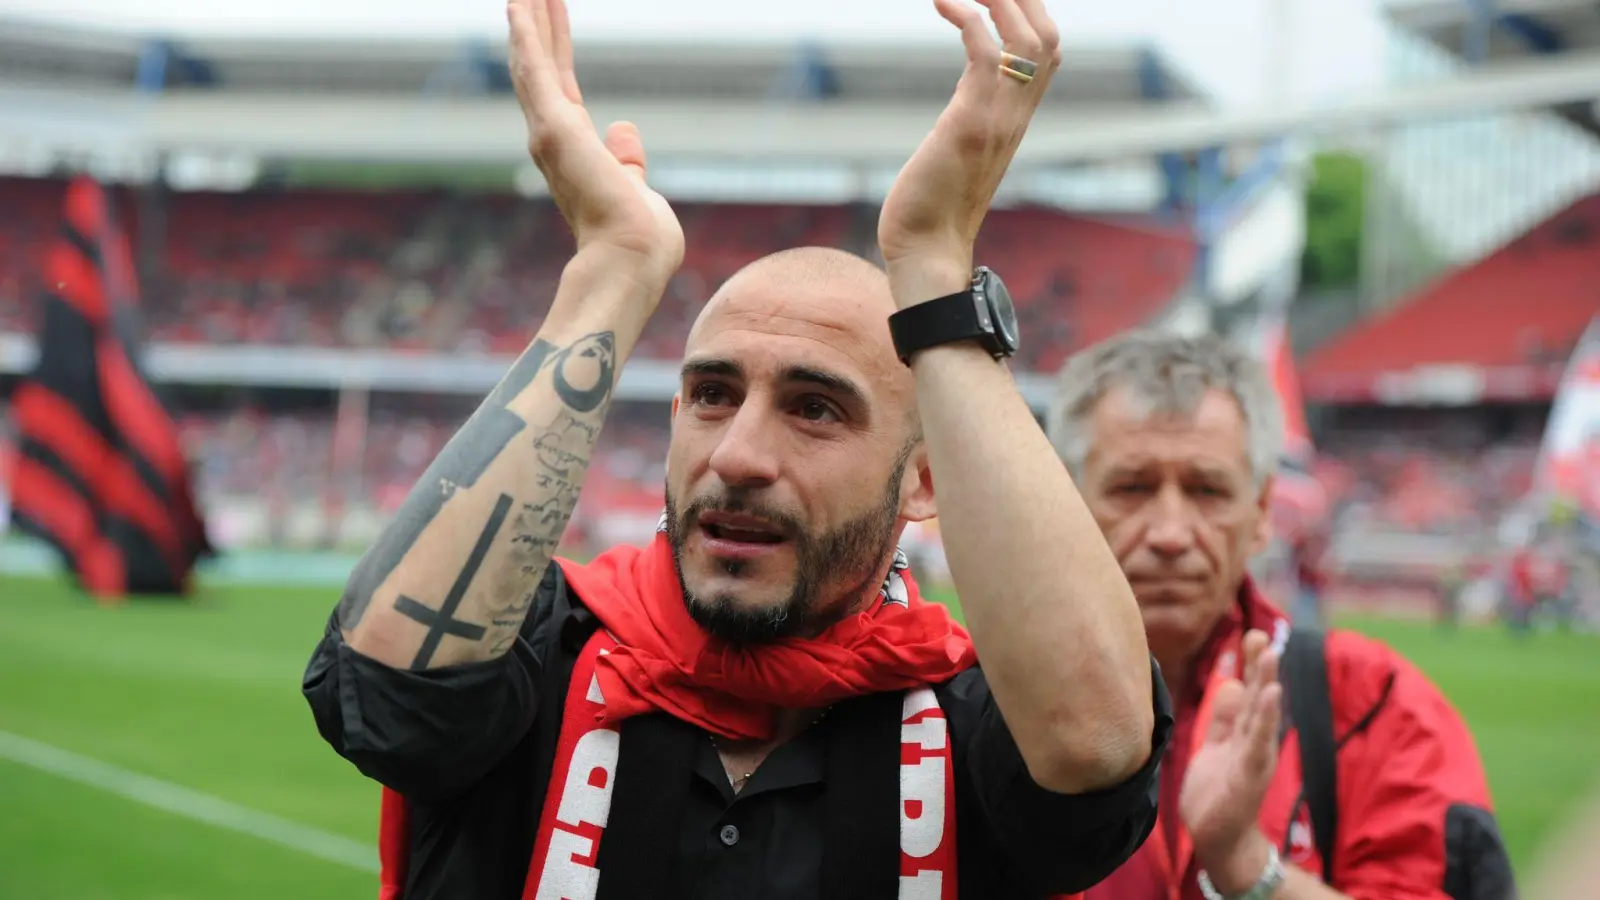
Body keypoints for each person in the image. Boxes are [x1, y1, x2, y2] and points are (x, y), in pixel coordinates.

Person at [302, 1, 1173, 898]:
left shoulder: (968, 721)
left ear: (924, 481)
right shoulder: (539, 652)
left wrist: (934, 270)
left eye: (817, 409)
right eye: (714, 396)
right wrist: (614, 266)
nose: (740, 455)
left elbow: (1096, 752)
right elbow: (385, 693)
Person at [1045, 330, 1515, 900]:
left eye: (1208, 490)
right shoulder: (979, 710)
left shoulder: (1370, 703)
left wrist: (1246, 865)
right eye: (1131, 487)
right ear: (1062, 500)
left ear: (1262, 510)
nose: (1170, 534)